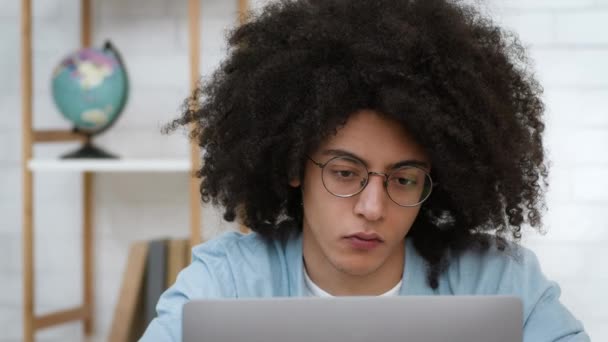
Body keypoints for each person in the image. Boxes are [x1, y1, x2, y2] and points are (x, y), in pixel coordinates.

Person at [140, 0, 590, 340]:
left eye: (404, 179)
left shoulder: (501, 282)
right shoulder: (225, 283)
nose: (373, 208)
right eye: (345, 172)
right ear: (296, 165)